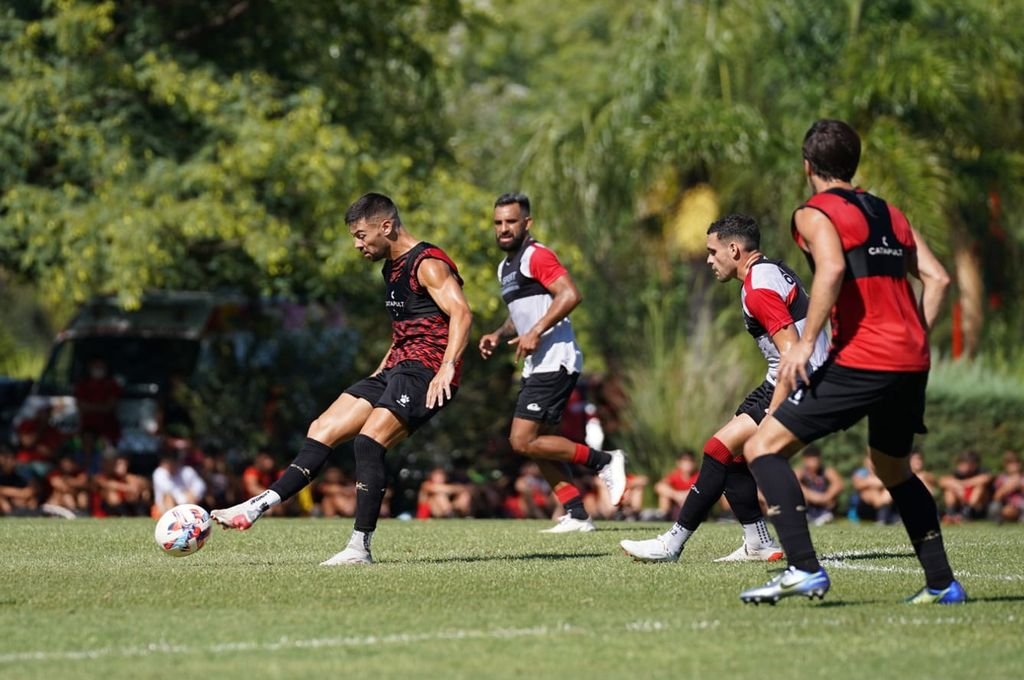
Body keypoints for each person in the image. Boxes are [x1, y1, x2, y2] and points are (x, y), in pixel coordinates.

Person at [738, 119, 962, 605]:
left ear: (807, 166)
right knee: (894, 468)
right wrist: (915, 336)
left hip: (865, 356)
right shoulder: (890, 212)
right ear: (854, 162)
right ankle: (943, 583)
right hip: (911, 359)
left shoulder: (813, 213)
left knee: (762, 448)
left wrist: (804, 342)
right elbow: (938, 279)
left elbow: (834, 268)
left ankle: (802, 570)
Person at [211, 192, 472, 566]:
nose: (357, 244)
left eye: (362, 235)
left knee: (369, 443)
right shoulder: (391, 268)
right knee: (323, 427)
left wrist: (447, 367)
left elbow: (461, 313)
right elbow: (406, 331)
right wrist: (378, 374)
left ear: (387, 226)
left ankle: (358, 548)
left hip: (427, 371)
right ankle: (257, 506)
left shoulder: (427, 263)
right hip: (396, 367)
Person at [622, 213, 829, 563]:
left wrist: (776, 413)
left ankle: (671, 544)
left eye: (712, 251)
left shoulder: (758, 287)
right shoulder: (769, 271)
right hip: (787, 377)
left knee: (733, 452)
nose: (708, 259)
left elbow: (792, 352)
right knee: (723, 452)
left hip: (799, 381)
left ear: (734, 249)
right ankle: (757, 542)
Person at [478, 192, 626, 533]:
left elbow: (570, 294)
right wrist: (499, 335)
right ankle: (577, 513)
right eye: (498, 223)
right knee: (539, 443)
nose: (503, 229)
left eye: (511, 222)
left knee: (522, 440)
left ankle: (605, 460)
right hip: (537, 364)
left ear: (526, 223)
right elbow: (522, 315)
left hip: (556, 359)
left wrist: (537, 333)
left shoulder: (537, 255)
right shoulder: (506, 267)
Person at [938, 449, 992, 523]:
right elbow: (942, 481)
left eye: (967, 464)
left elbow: (986, 478)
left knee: (980, 488)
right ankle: (951, 513)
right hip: (961, 502)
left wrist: (962, 484)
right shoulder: (957, 473)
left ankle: (967, 513)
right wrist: (957, 487)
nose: (964, 466)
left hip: (978, 507)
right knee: (949, 490)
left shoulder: (981, 471)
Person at [795, 445, 844, 526]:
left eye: (815, 459)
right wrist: (813, 496)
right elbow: (795, 485)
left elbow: (838, 484)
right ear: (805, 459)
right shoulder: (800, 472)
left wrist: (826, 497)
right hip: (807, 510)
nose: (813, 462)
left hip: (824, 510)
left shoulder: (826, 471)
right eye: (810, 459)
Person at [152, 446, 207, 515]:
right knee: (168, 497)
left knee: (193, 496)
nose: (169, 465)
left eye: (171, 462)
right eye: (167, 462)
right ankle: (171, 518)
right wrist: (185, 496)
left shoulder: (187, 471)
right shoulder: (159, 473)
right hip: (162, 508)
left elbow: (200, 485)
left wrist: (193, 494)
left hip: (185, 505)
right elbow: (171, 491)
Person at [653, 450, 700, 520]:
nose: (688, 464)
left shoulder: (699, 476)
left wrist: (686, 495)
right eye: (685, 461)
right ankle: (663, 516)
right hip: (676, 505)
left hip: (693, 505)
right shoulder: (674, 475)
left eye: (690, 461)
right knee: (664, 495)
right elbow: (659, 486)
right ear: (679, 463)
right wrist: (677, 495)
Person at [849, 453, 896, 524]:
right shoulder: (860, 473)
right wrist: (876, 482)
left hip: (882, 503)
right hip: (865, 507)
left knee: (887, 492)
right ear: (865, 461)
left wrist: (870, 482)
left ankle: (882, 519)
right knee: (871, 491)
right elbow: (858, 485)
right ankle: (882, 518)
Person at [989, 450, 1023, 524]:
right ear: (1006, 465)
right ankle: (1000, 518)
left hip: (1020, 505)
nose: (1014, 465)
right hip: (1006, 505)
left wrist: (1020, 486)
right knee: (995, 506)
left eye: (1016, 462)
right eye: (1010, 463)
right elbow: (996, 497)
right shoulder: (1001, 479)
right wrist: (1007, 487)